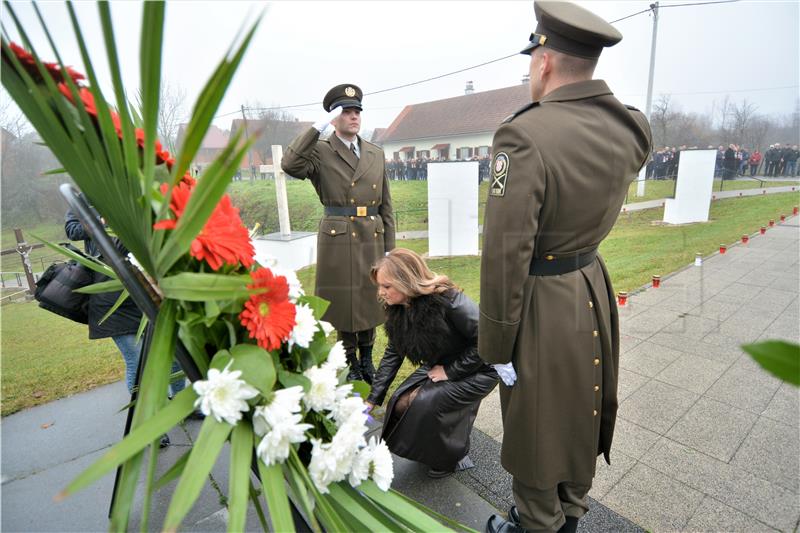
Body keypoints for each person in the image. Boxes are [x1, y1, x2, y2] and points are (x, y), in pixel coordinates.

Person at [478, 2, 652, 532]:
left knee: (534, 427)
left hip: (541, 301)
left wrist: (495, 347)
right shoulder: (630, 128)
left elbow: (506, 255)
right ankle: (572, 511)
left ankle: (537, 520)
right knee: (582, 404)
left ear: (545, 62)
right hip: (590, 287)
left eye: (533, 57)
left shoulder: (522, 136)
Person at [282, 84, 395, 385]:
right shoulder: (320, 151)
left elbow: (386, 204)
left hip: (371, 234)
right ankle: (349, 360)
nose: (354, 116)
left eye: (357, 110)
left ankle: (368, 359)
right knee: (346, 303)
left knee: (371, 298)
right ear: (333, 116)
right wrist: (315, 130)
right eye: (346, 111)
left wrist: (391, 252)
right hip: (339, 236)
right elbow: (290, 164)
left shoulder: (375, 152)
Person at [365, 248, 499, 478]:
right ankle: (430, 450)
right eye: (379, 286)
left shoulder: (449, 300)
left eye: (386, 286)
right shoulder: (399, 307)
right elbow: (393, 352)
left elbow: (488, 341)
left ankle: (451, 458)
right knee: (399, 402)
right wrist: (373, 398)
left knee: (425, 402)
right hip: (444, 364)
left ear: (405, 281)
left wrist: (450, 371)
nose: (381, 293)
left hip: (481, 368)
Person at [65, 209, 186, 446]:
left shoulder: (136, 206)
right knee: (138, 361)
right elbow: (72, 230)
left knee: (177, 355)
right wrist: (101, 219)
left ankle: (183, 404)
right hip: (111, 299)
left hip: (146, 294)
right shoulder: (84, 202)